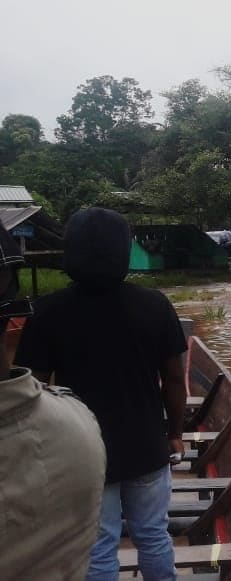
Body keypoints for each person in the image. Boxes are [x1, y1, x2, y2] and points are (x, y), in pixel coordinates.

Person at [16, 208, 188, 581]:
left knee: (98, 545)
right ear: (124, 251)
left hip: (82, 452)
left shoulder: (46, 312)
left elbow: (33, 394)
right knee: (154, 535)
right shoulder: (155, 305)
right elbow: (174, 380)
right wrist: (175, 432)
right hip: (147, 446)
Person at [0, 224, 107, 579]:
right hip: (131, 449)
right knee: (142, 533)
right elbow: (172, 377)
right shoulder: (77, 427)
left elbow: (37, 374)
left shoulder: (48, 311)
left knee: (106, 542)